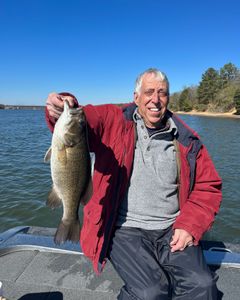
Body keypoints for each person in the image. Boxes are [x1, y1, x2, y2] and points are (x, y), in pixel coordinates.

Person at [45, 68, 222, 300]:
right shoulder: (114, 121)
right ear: (136, 97)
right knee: (150, 292)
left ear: (168, 98)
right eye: (149, 92)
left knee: (203, 286)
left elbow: (208, 187)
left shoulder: (187, 140)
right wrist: (64, 105)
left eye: (162, 93)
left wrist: (188, 226)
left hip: (172, 228)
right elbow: (86, 120)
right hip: (125, 229)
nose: (155, 100)